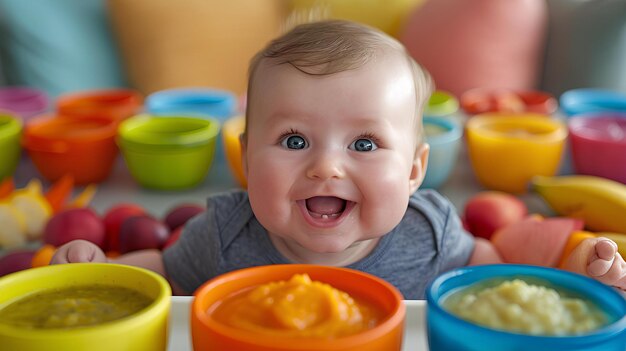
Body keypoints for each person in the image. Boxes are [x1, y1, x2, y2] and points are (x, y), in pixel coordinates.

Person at [51, 20, 626, 298]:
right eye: (295, 141)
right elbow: (160, 275)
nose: (327, 168)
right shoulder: (223, 235)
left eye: (365, 144)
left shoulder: (429, 234)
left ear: (414, 171)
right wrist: (95, 270)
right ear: (248, 161)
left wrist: (567, 281)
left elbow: (497, 278)